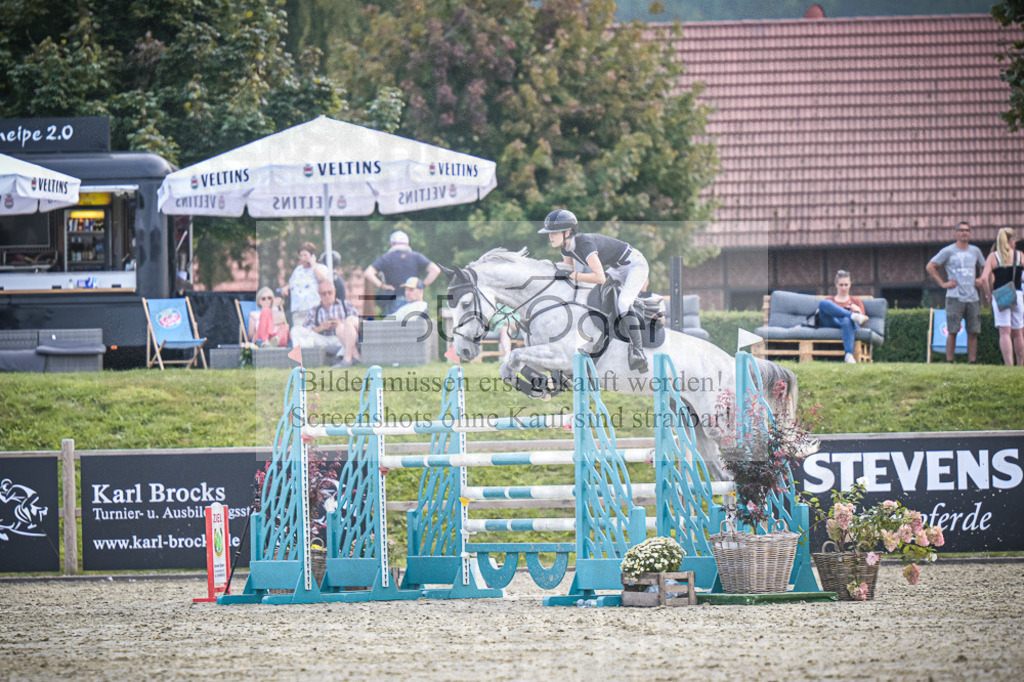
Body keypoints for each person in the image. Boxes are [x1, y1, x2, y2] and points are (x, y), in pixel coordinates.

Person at [538, 209, 650, 372]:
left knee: (624, 302)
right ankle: (600, 345)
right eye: (549, 233)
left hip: (635, 266)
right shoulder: (565, 248)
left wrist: (572, 274)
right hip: (617, 269)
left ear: (567, 232)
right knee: (595, 297)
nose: (550, 236)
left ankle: (638, 352)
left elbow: (598, 277)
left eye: (554, 232)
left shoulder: (584, 244)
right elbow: (569, 273)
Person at [926, 222, 987, 363]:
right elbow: (930, 266)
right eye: (961, 230)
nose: (964, 233)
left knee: (973, 332)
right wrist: (942, 283)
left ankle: (972, 361)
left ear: (970, 233)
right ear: (956, 233)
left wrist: (981, 279)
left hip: (972, 297)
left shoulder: (975, 251)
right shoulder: (948, 251)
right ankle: (950, 361)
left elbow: (984, 267)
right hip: (954, 297)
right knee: (952, 331)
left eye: (967, 230)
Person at [364, 230, 441, 315]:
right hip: (414, 299)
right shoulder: (416, 257)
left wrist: (382, 286)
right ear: (407, 244)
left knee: (394, 326)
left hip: (394, 299)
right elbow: (435, 270)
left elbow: (368, 273)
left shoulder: (387, 258)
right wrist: (422, 285)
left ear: (392, 244)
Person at [979, 227, 1024, 366]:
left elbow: (983, 279)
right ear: (1010, 240)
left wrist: (988, 294)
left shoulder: (994, 257)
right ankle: (1020, 365)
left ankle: (1008, 365)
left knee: (1005, 332)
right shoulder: (1020, 255)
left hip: (1000, 294)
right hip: (1017, 294)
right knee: (1018, 332)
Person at [291, 280, 361, 368]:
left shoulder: (345, 305)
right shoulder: (315, 309)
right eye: (324, 293)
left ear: (335, 291)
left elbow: (357, 323)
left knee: (346, 329)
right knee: (296, 330)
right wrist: (320, 328)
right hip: (322, 339)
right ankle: (303, 360)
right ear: (319, 294)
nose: (327, 296)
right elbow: (306, 328)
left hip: (340, 339)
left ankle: (341, 357)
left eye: (330, 292)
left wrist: (341, 324)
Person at [816, 270, 870, 364]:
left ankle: (849, 355)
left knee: (846, 320)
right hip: (833, 322)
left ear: (850, 284)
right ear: (836, 285)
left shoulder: (856, 300)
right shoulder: (830, 300)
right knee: (823, 303)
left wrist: (858, 310)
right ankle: (851, 315)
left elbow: (863, 321)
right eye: (841, 285)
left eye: (846, 284)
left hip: (849, 324)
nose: (844, 288)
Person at [280, 242, 328, 325]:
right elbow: (291, 282)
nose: (303, 258)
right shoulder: (298, 270)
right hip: (298, 309)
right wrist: (286, 288)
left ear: (312, 256)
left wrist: (313, 265)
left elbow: (323, 280)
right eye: (301, 255)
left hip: (313, 308)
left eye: (305, 255)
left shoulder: (320, 268)